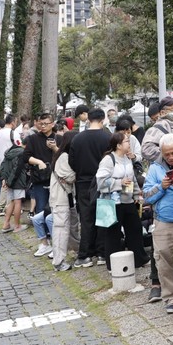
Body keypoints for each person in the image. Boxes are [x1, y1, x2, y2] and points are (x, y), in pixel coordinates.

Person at [95, 130, 149, 271]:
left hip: (127, 200)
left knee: (135, 229)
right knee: (113, 233)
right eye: (126, 141)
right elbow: (101, 182)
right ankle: (113, 264)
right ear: (118, 145)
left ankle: (139, 259)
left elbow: (133, 179)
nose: (129, 143)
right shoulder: (108, 160)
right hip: (112, 203)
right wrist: (120, 183)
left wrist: (137, 195)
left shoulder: (127, 158)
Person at [144, 136, 173, 311]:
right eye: (166, 154)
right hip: (164, 221)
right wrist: (161, 187)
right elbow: (147, 196)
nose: (170, 157)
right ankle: (172, 296)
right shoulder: (155, 168)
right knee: (164, 261)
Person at [68, 106, 112, 268]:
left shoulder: (77, 138)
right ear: (103, 119)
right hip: (104, 182)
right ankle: (102, 254)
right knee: (104, 218)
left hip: (83, 183)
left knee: (86, 219)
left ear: (88, 119)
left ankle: (85, 255)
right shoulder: (108, 138)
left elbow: (72, 162)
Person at [23, 113, 58, 256]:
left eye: (46, 123)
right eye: (40, 123)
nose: (43, 126)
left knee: (54, 212)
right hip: (39, 179)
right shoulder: (33, 139)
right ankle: (44, 242)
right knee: (41, 210)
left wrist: (55, 148)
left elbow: (65, 157)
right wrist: (38, 162)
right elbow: (25, 156)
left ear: (52, 124)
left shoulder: (59, 138)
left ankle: (56, 244)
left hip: (56, 180)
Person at [49, 131, 76, 271]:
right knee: (61, 230)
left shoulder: (60, 155)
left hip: (62, 197)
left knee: (64, 228)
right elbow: (70, 177)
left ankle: (61, 258)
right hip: (60, 199)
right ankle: (58, 261)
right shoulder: (64, 157)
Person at [0, 132, 31, 233]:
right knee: (17, 202)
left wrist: (5, 179)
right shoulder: (22, 153)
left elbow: (3, 165)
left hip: (9, 180)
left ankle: (6, 224)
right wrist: (10, 181)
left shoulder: (10, 151)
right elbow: (17, 169)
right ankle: (17, 226)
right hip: (17, 180)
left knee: (12, 202)